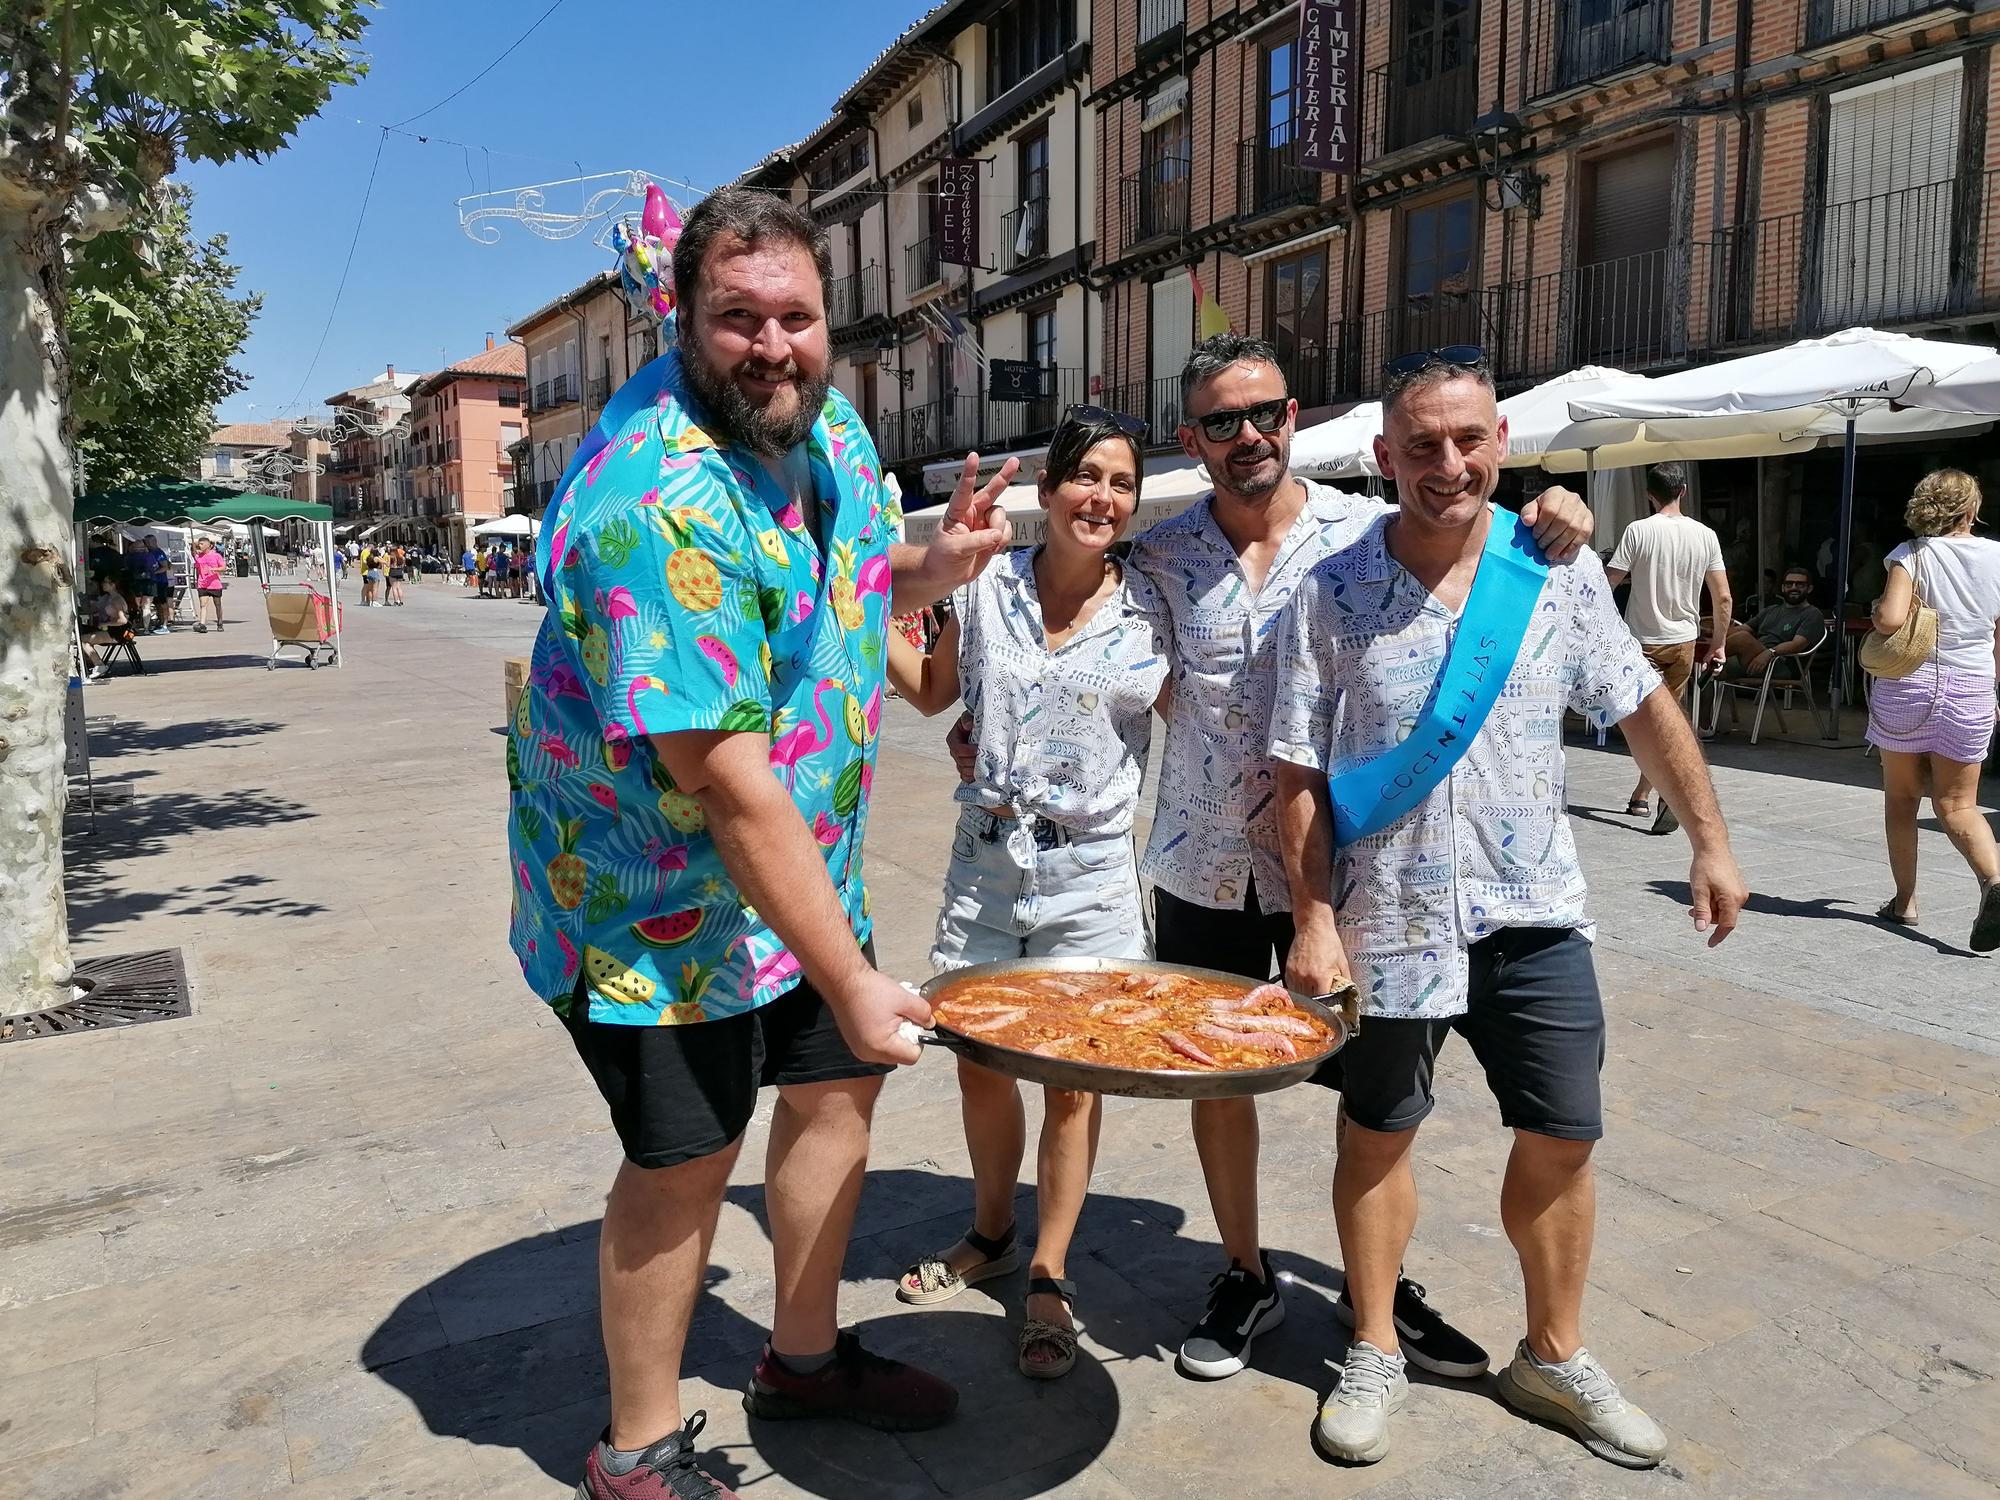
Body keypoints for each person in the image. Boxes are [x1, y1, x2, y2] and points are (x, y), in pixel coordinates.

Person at [947, 334, 1593, 1382]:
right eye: (1219, 421)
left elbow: (1472, 539)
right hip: (1200, 860)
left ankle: (1375, 1291)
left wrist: (1553, 511)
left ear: (1294, 419)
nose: (1246, 436)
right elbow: (1076, 650)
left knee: (1373, 1093)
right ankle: (1243, 1272)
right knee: (1218, 1084)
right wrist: (985, 724)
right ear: (1189, 437)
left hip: (1348, 867)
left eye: (1264, 415)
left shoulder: (1366, 529)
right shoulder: (1158, 557)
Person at [506, 185, 1020, 1500]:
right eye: (739, 318)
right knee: (686, 1158)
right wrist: (851, 974)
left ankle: (801, 1358)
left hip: (805, 875)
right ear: (679, 324)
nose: (774, 344)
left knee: (841, 1085)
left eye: (797, 316)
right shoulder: (654, 501)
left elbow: (829, 588)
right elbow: (726, 784)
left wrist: (926, 575)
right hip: (650, 907)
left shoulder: (826, 425)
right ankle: (636, 1448)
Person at [1269, 349, 1747, 1470]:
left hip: (1530, 905)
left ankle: (1551, 1353)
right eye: (1421, 445)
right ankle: (1375, 1344)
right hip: (1384, 915)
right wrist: (1311, 916)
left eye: (1468, 439)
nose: (1448, 464)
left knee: (1563, 1133)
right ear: (1382, 457)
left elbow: (1641, 708)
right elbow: (1293, 772)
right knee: (1378, 1133)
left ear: (1499, 443)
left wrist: (1712, 844)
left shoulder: (1554, 573)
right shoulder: (1329, 592)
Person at [884, 408, 1166, 1380]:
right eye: (1085, 475)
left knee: (1074, 1078)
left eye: (1120, 483)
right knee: (978, 1061)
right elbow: (928, 691)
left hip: (1090, 871)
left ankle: (1047, 1271)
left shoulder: (1150, 612)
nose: (1102, 496)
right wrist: (858, 601)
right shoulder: (987, 584)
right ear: (1047, 490)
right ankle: (992, 1230)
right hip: (986, 859)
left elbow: (1216, 713)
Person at [1865, 469, 2000, 949]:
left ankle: (1905, 902)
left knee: (1902, 800)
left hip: (1909, 685)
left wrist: (1881, 603)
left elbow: (1892, 619)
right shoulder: (1998, 555)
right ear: (1971, 510)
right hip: (1973, 688)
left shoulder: (1911, 554)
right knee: (1959, 804)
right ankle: (1993, 880)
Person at [1605, 462, 1732, 835]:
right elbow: (1722, 597)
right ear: (1684, 491)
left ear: (1649, 494)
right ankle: (1644, 794)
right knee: (1668, 721)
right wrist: (1719, 645)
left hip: (1641, 640)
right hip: (1683, 641)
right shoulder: (1705, 535)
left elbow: (1607, 584)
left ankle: (1663, 794)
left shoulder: (1637, 531)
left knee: (1648, 726)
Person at [1720, 566, 1826, 680]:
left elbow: (1797, 645)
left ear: (1809, 589)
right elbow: (1742, 629)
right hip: (1754, 660)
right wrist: (1712, 632)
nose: (1794, 588)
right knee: (1715, 671)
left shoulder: (1812, 614)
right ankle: (1703, 665)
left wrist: (1770, 652)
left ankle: (1703, 656)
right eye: (1789, 584)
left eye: (1800, 584)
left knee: (1742, 639)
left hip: (1781, 665)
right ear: (1783, 588)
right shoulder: (1770, 610)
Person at [80, 575, 137, 681]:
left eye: (106, 582)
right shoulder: (108, 597)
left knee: (82, 640)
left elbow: (123, 620)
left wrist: (106, 624)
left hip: (118, 632)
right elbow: (94, 608)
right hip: (112, 630)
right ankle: (91, 664)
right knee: (85, 637)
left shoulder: (117, 599)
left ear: (113, 585)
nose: (103, 584)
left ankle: (99, 665)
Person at [138, 533, 175, 633]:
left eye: (148, 542)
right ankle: (160, 622)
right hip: (153, 582)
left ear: (153, 542)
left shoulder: (159, 553)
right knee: (157, 604)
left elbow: (165, 567)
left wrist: (153, 573)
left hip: (161, 582)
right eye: (146, 542)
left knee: (163, 603)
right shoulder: (148, 552)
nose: (147, 544)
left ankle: (165, 625)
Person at [191, 536, 226, 633]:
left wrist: (213, 569)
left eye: (202, 544)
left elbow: (223, 567)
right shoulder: (198, 557)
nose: (200, 546)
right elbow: (194, 553)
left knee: (217, 604)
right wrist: (194, 545)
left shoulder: (216, 556)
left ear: (207, 545)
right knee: (203, 604)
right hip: (203, 583)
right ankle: (202, 624)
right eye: (199, 544)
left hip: (214, 584)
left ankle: (220, 622)